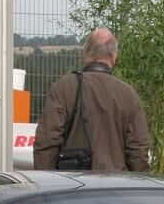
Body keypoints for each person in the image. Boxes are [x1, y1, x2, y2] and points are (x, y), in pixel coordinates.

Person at [33, 28, 151, 172]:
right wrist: (138, 183)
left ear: (85, 54)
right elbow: (138, 151)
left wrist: (47, 180)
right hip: (116, 181)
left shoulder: (63, 88)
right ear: (113, 57)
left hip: (72, 181)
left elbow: (47, 140)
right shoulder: (129, 95)